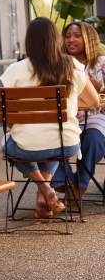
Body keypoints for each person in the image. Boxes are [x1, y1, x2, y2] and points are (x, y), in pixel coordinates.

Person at [0, 17, 100, 219]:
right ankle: (45, 192)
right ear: (57, 40)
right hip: (68, 144)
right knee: (55, 143)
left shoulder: (14, 70)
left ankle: (44, 188)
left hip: (28, 145)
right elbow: (94, 102)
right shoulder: (71, 65)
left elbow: (7, 119)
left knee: (7, 145)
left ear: (29, 42)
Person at [52, 21, 105, 199]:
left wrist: (88, 81)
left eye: (76, 36)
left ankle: (80, 186)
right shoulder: (59, 64)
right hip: (66, 119)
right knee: (48, 139)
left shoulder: (101, 62)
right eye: (67, 36)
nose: (70, 40)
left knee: (93, 139)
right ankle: (65, 182)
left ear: (88, 38)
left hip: (96, 116)